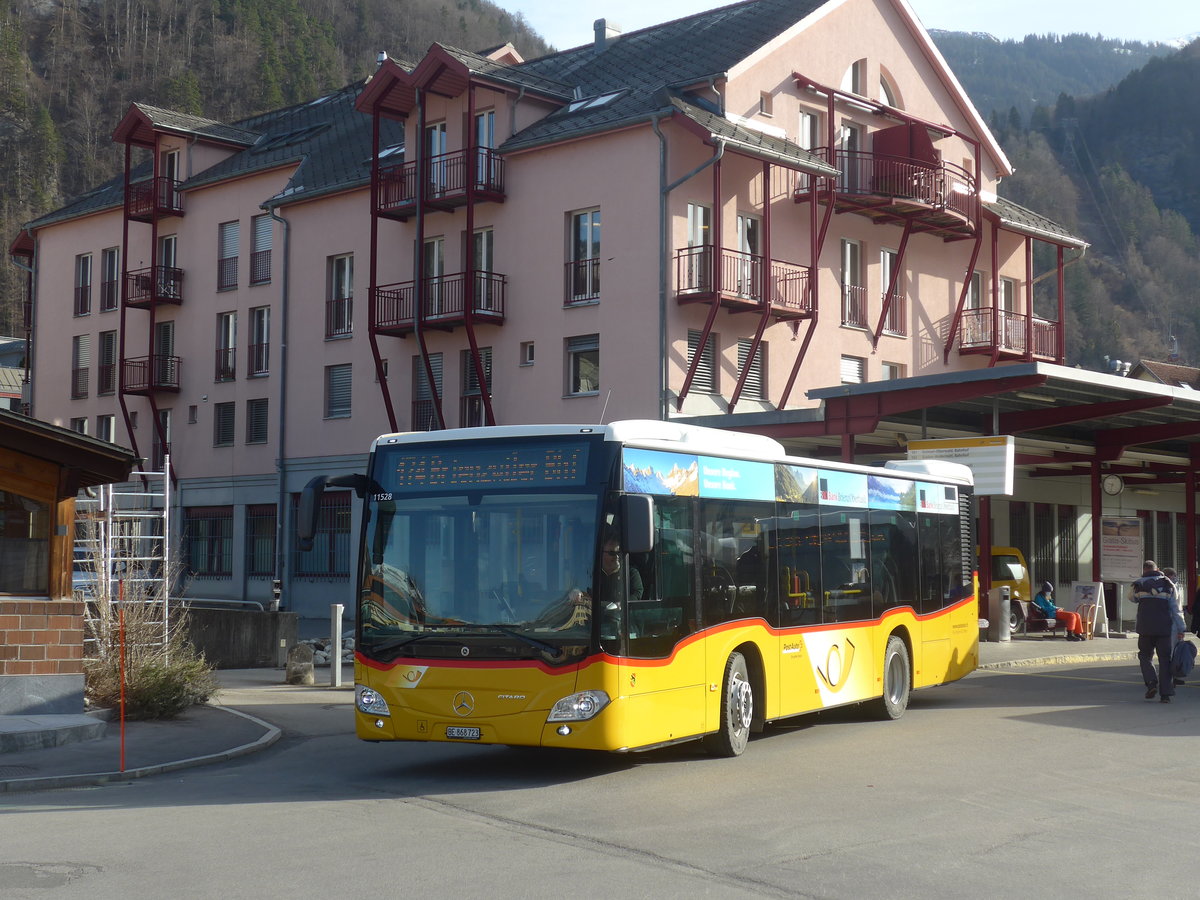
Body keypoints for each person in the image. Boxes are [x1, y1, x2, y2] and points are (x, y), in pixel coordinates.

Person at [1131, 560, 1186, 703]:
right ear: (1157, 569)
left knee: (1145, 656)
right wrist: (1181, 628)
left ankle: (1151, 683)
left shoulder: (1139, 584)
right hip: (1164, 629)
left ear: (1144, 570)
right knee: (1165, 660)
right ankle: (1165, 694)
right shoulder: (1169, 584)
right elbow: (1176, 609)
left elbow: (1132, 598)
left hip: (1145, 629)